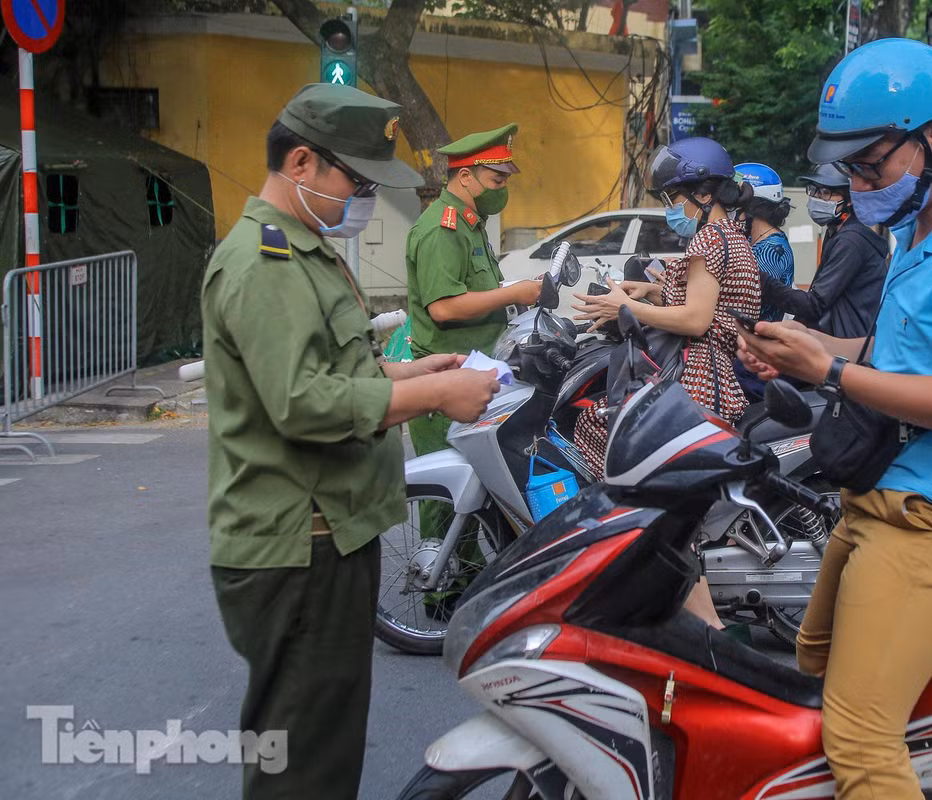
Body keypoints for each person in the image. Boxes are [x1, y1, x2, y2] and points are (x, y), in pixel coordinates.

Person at [737, 39, 932, 799]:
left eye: (870, 166)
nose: (858, 185)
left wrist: (831, 372)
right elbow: (892, 355)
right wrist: (807, 350)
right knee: (809, 663)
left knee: (858, 738)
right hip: (878, 499)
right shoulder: (915, 228)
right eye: (850, 170)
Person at [202, 83, 501, 800]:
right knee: (305, 766)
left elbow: (332, 369)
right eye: (357, 181)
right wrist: (436, 396)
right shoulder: (265, 263)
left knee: (322, 745)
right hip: (298, 544)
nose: (363, 198)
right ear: (301, 162)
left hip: (328, 534)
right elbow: (301, 402)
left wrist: (414, 370)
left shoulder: (305, 250)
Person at [572, 136, 761, 639]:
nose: (671, 208)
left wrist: (626, 307)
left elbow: (697, 319)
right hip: (713, 375)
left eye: (673, 197)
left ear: (703, 193)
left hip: (696, 378)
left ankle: (704, 624)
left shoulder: (707, 241)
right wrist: (652, 290)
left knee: (636, 470)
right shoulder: (731, 236)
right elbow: (710, 301)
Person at [405, 123, 543, 459]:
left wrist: (517, 290)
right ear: (466, 177)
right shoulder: (443, 229)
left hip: (476, 372)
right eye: (497, 181)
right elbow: (444, 307)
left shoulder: (471, 223)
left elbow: (477, 289)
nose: (502, 190)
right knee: (450, 487)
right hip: (446, 383)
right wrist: (514, 294)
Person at [765, 163, 888, 339]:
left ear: (849, 199)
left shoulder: (850, 241)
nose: (816, 198)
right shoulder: (836, 233)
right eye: (813, 190)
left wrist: (764, 282)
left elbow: (815, 304)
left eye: (825, 193)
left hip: (847, 344)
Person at [733, 162, 794, 321]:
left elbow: (743, 301)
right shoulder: (752, 239)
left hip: (756, 334)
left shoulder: (773, 249)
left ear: (750, 205)